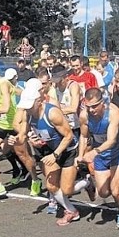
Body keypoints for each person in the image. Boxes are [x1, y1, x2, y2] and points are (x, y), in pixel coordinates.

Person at [15, 80, 84, 226]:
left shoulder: (52, 113)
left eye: (29, 106)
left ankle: (87, 182)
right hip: (51, 151)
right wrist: (17, 139)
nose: (26, 109)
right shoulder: (28, 114)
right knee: (52, 187)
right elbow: (23, 134)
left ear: (39, 102)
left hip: (68, 151)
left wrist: (55, 154)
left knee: (67, 190)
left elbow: (69, 136)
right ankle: (72, 211)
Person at [0, 61, 42, 200]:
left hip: (13, 124)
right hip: (0, 124)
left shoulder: (3, 83)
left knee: (24, 156)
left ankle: (36, 179)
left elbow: (5, 107)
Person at [78, 88, 119, 229]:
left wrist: (94, 152)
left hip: (117, 154)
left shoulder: (113, 113)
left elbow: (111, 140)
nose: (92, 110)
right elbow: (84, 136)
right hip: (101, 156)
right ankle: (90, 184)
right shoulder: (84, 116)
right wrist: (80, 155)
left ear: (103, 103)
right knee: (103, 193)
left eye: (95, 106)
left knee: (116, 191)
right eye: (88, 106)